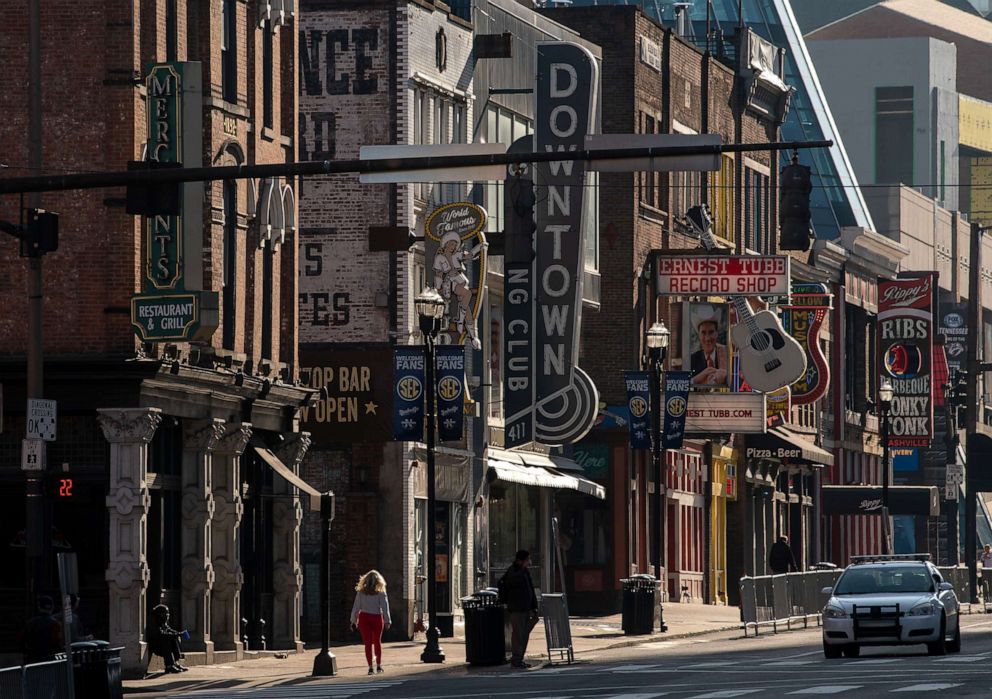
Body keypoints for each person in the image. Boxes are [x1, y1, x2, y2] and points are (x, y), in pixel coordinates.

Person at [498, 549, 539, 669]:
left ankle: (519, 658)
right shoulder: (514, 571)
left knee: (524, 634)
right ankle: (516, 659)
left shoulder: (524, 572)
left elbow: (530, 590)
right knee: (518, 635)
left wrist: (534, 606)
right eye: (527, 560)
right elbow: (509, 582)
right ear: (521, 561)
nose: (529, 562)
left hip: (526, 609)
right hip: (517, 609)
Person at [350, 570, 391, 675]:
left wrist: (353, 620)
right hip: (377, 617)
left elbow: (356, 607)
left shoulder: (361, 592)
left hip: (364, 618)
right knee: (377, 642)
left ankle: (370, 667)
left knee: (367, 643)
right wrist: (387, 620)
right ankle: (378, 665)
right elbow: (385, 607)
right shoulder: (381, 592)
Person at [146, 604, 187, 673]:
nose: (168, 615)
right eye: (166, 613)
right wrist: (175, 635)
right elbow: (160, 635)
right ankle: (169, 666)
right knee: (167, 641)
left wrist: (178, 634)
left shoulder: (162, 621)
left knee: (173, 639)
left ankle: (176, 663)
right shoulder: (153, 622)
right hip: (154, 645)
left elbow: (169, 630)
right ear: (160, 614)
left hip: (160, 643)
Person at [21, 595, 63, 664]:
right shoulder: (55, 624)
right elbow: (58, 642)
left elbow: (22, 641)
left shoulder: (30, 623)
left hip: (33, 660)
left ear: (39, 607)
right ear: (52, 607)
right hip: (50, 660)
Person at [689, 314, 728, 386]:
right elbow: (684, 385)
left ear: (717, 333)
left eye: (711, 332)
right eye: (703, 333)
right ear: (699, 335)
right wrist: (697, 378)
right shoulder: (691, 360)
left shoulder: (727, 355)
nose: (707, 338)